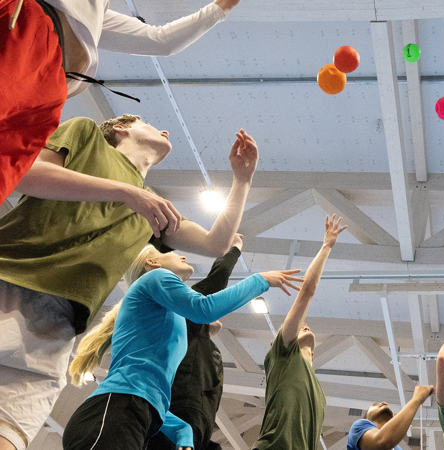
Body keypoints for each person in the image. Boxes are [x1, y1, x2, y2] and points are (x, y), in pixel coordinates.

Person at [0, 115, 257, 450]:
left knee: (12, 431)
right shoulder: (87, 135)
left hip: (58, 325)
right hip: (10, 280)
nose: (164, 130)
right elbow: (25, 174)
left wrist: (242, 180)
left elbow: (214, 244)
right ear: (121, 129)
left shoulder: (151, 207)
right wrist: (126, 192)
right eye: (148, 123)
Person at [61, 245, 303, 450]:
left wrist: (183, 431)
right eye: (174, 254)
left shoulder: (168, 313)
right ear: (153, 262)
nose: (184, 256)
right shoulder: (155, 277)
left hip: (134, 416)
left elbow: (152, 396)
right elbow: (204, 308)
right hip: (113, 412)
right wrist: (260, 280)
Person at [0, 0, 242, 203]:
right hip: (25, 37)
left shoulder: (96, 11)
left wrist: (222, 7)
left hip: (50, 87)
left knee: (6, 166)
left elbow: (159, 40)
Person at [252, 215, 347, 450]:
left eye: (305, 326)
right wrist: (326, 246)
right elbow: (306, 291)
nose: (305, 326)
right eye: (300, 326)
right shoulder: (283, 354)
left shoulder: (319, 394)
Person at [146, 234, 245, 450]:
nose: (182, 256)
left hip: (195, 419)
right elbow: (219, 276)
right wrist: (235, 247)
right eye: (173, 254)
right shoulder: (180, 308)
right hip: (181, 411)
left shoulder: (193, 335)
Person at [347, 385, 435, 450]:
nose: (384, 402)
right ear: (366, 417)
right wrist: (417, 399)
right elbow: (382, 442)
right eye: (375, 405)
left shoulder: (397, 448)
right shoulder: (359, 426)